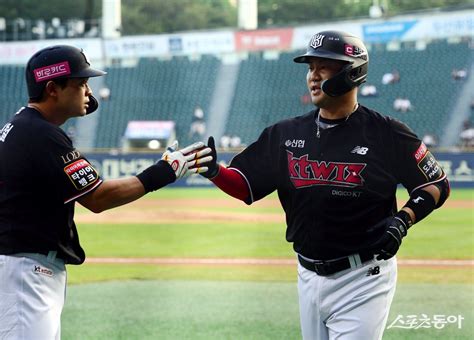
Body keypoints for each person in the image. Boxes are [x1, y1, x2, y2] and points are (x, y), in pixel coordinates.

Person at [196, 31, 450, 340]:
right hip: (307, 275)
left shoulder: (386, 133)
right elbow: (245, 186)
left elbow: (435, 184)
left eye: (323, 67)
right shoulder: (285, 133)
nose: (313, 76)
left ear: (351, 71)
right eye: (310, 67)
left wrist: (403, 220)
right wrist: (214, 171)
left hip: (363, 277)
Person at [0, 45, 212, 339]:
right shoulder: (41, 133)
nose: (88, 91)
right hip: (25, 271)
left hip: (23, 268)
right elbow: (98, 198)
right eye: (81, 83)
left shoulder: (24, 126)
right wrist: (165, 171)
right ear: (52, 88)